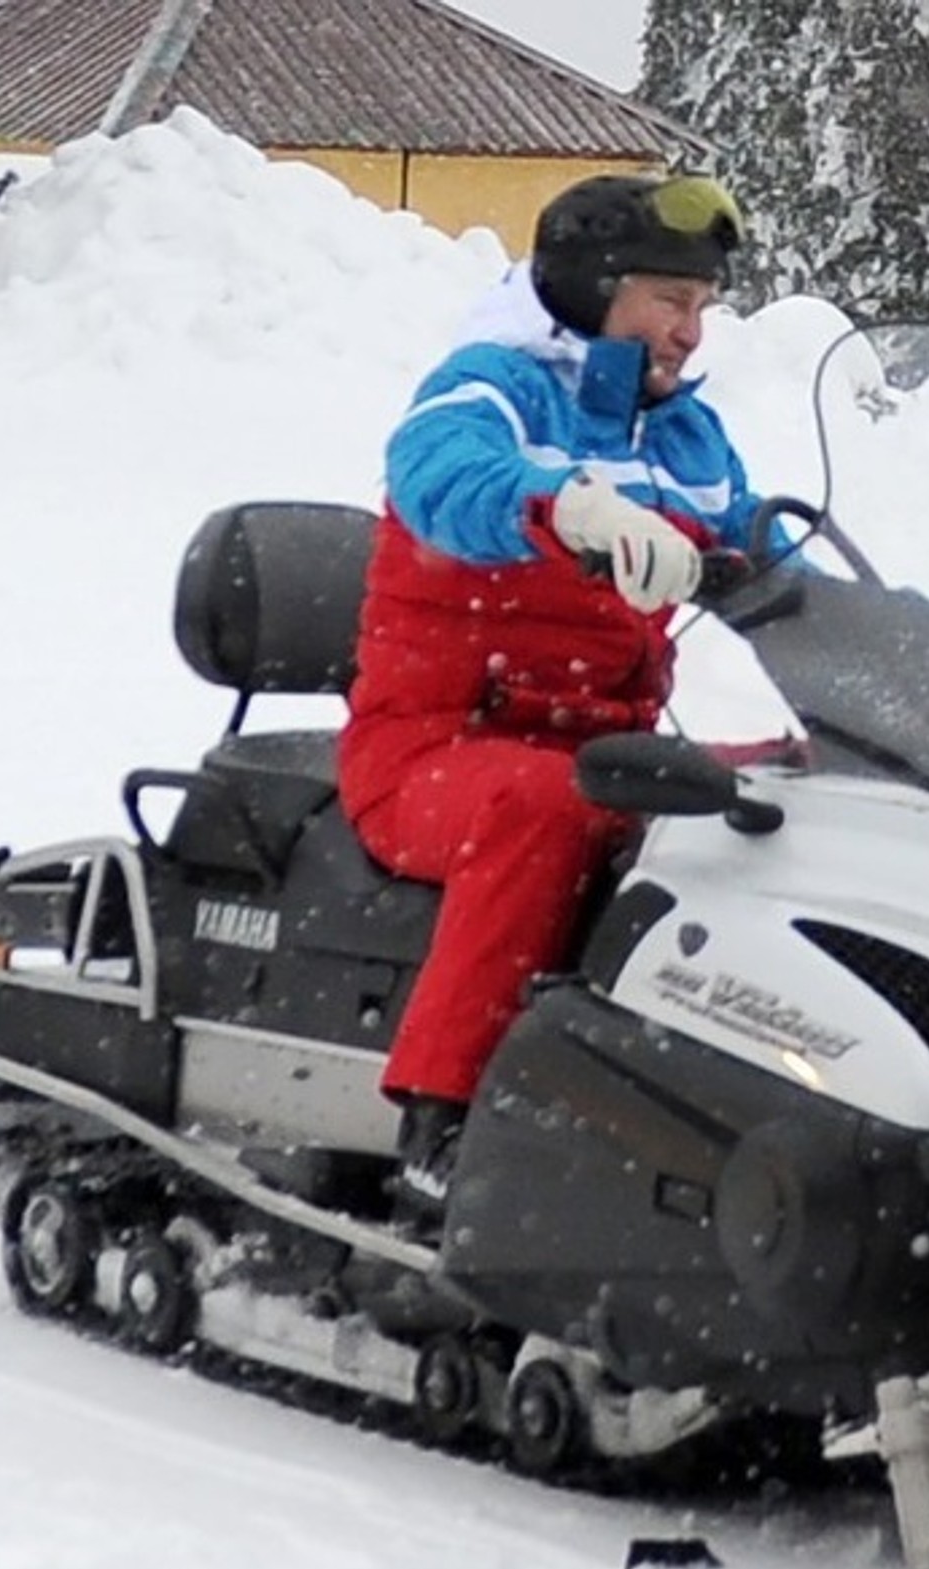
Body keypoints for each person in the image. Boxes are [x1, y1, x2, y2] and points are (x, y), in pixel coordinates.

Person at [338, 172, 769, 1230]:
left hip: (610, 747)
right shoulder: (487, 388)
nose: (689, 331)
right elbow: (440, 481)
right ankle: (445, 1120)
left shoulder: (681, 435)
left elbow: (769, 546)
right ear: (593, 286)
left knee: (779, 800)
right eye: (670, 301)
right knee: (545, 811)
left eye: (702, 307)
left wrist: (916, 624)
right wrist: (561, 510)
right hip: (435, 750)